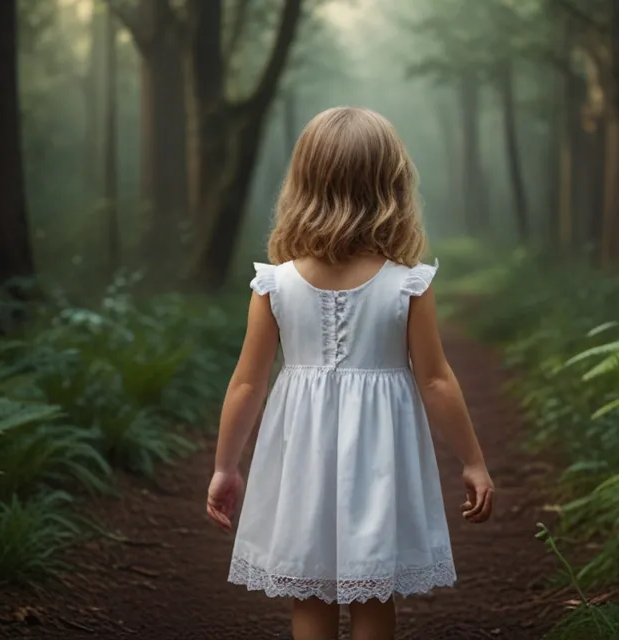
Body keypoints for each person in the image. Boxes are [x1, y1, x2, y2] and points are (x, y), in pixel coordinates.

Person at [205, 106, 495, 640]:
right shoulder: (408, 284)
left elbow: (249, 383)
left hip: (300, 454)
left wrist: (227, 466)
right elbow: (435, 380)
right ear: (391, 186)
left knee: (309, 595)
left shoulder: (275, 284)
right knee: (374, 594)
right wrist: (472, 461)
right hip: (381, 456)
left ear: (304, 184)